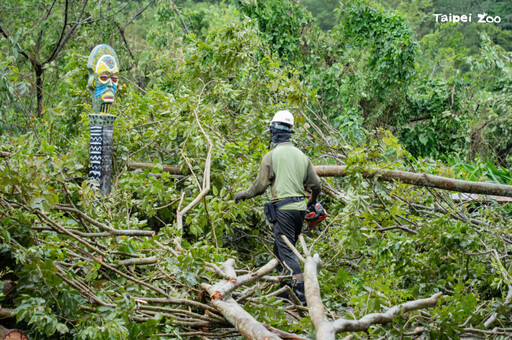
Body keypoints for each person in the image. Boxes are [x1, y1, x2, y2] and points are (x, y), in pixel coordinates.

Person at [234, 110, 321, 305]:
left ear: (273, 132)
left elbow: (260, 186)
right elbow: (316, 185)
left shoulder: (270, 156)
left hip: (283, 211)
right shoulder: (302, 156)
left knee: (287, 253)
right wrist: (311, 203)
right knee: (281, 250)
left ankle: (301, 296)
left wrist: (243, 195)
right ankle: (284, 293)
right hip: (299, 210)